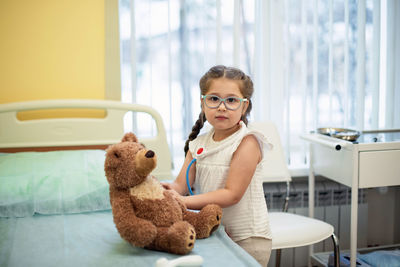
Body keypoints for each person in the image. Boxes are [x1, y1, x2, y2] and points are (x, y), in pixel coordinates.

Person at [163, 65, 272, 266]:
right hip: (216, 234)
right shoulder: (198, 144)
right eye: (214, 99)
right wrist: (164, 190)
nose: (222, 107)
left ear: (244, 106)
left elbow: (232, 194)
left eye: (231, 100)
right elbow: (181, 185)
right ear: (203, 103)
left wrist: (181, 201)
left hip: (247, 239)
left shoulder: (248, 141)